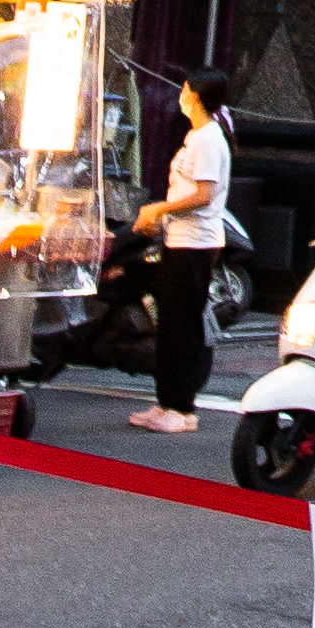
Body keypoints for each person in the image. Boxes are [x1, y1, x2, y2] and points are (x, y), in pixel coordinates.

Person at [120, 69, 234, 437]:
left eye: (185, 89)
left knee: (182, 326)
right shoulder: (196, 136)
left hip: (196, 244)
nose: (180, 95)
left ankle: (183, 408)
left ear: (195, 96)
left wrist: (160, 209)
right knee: (169, 324)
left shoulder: (208, 139)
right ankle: (166, 401)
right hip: (180, 240)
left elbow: (204, 195)